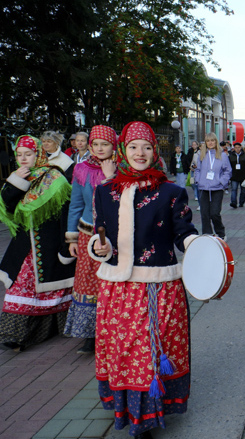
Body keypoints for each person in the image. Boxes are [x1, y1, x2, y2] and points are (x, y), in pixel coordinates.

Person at [89, 121, 198, 439]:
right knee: (126, 352)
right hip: (118, 288)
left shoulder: (172, 192)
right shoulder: (104, 191)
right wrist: (100, 247)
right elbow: (101, 236)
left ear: (155, 151)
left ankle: (152, 412)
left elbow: (184, 232)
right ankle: (136, 416)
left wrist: (199, 248)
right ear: (123, 150)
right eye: (134, 146)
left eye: (147, 147)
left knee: (156, 349)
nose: (140, 153)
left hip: (160, 288)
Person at [0, 135, 75, 352]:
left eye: (29, 154)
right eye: (19, 155)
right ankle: (15, 334)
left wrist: (65, 245)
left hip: (49, 246)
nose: (23, 159)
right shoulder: (17, 177)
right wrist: (16, 183)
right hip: (24, 247)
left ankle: (48, 328)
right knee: (21, 286)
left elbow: (65, 214)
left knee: (51, 289)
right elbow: (8, 209)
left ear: (39, 154)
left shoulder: (55, 178)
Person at [64, 126, 117, 354]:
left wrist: (110, 177)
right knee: (89, 282)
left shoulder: (122, 169)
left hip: (114, 236)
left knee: (112, 282)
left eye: (104, 144)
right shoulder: (81, 169)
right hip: (87, 235)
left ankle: (113, 330)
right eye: (95, 144)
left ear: (113, 146)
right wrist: (72, 238)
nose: (99, 148)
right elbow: (76, 204)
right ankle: (91, 334)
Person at [195, 133, 231, 238]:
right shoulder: (202, 155)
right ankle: (207, 234)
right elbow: (197, 169)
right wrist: (198, 180)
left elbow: (227, 171)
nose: (210, 143)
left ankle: (220, 233)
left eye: (212, 140)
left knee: (215, 213)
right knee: (204, 214)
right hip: (203, 188)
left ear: (216, 142)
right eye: (208, 141)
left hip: (217, 188)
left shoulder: (222, 155)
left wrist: (222, 181)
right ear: (205, 143)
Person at [229, 142, 245, 208]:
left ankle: (241, 202)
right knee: (234, 189)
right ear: (234, 148)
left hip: (243, 176)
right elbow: (228, 166)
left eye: (238, 147)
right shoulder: (231, 156)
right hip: (234, 175)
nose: (237, 149)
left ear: (241, 148)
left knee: (243, 190)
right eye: (236, 147)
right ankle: (233, 202)